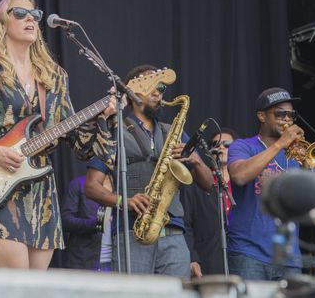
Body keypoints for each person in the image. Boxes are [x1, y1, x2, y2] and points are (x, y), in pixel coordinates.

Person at [0, 0, 117, 270]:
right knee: (18, 285)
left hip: (40, 191)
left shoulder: (56, 77)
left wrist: (102, 118)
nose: (30, 19)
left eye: (35, 15)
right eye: (20, 14)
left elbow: (79, 144)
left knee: (36, 288)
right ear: (3, 22)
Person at [84, 64, 214, 278]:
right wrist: (124, 201)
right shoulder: (113, 131)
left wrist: (197, 160)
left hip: (174, 235)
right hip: (131, 233)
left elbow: (209, 184)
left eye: (161, 88)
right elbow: (91, 186)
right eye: (151, 86)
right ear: (133, 90)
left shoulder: (173, 131)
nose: (157, 93)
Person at [227, 87, 304, 280]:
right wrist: (279, 145)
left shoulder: (297, 154)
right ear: (262, 116)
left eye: (291, 115)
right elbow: (239, 175)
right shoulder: (244, 146)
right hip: (249, 253)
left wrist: (307, 167)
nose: (287, 119)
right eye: (280, 114)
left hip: (289, 257)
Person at [181, 127, 238, 277]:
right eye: (215, 144)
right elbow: (185, 224)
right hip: (208, 259)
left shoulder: (244, 183)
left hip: (241, 258)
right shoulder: (196, 183)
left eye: (227, 144)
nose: (221, 147)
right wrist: (192, 257)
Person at [60, 174, 113, 271]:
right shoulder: (78, 184)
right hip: (83, 261)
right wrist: (97, 224)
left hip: (115, 262)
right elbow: (65, 220)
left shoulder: (123, 185)